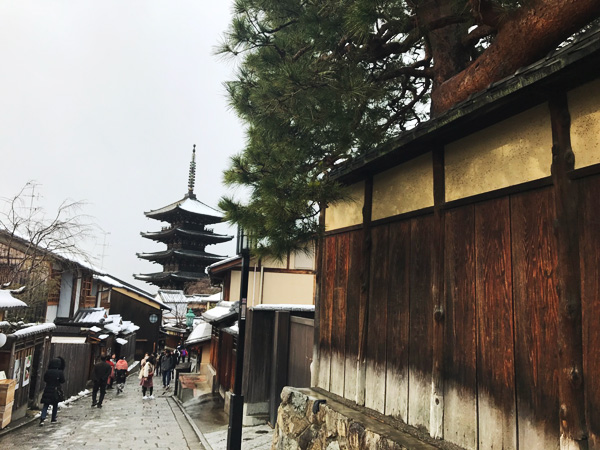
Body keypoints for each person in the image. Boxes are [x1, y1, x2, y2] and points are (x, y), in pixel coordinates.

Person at [39, 358, 66, 426]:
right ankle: (53, 418)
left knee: (46, 404)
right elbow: (62, 381)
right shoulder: (60, 372)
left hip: (48, 389)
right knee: (55, 404)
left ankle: (42, 418)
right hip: (56, 390)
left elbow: (45, 379)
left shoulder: (48, 371)